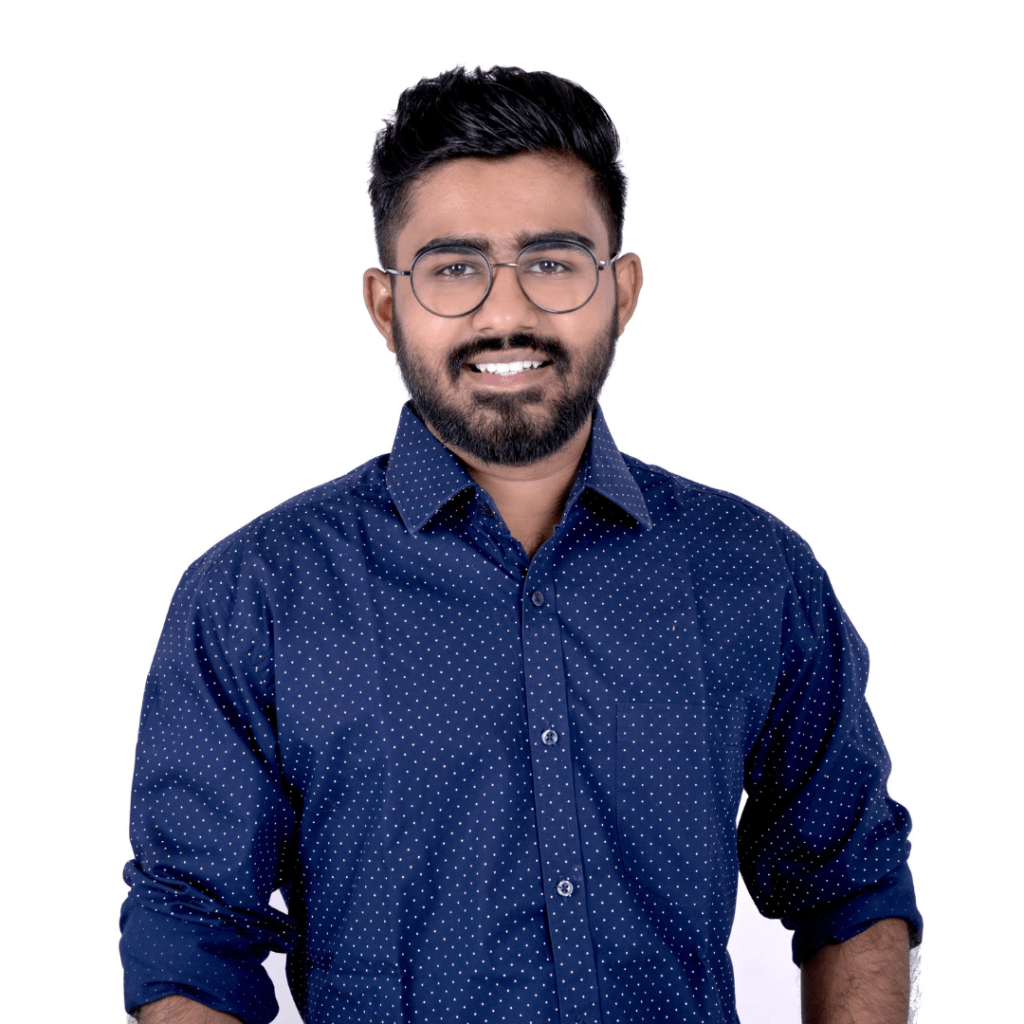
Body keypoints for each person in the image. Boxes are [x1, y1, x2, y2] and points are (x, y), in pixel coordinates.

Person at [120, 65, 922, 1024]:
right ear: (386, 306)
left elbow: (853, 886)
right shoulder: (258, 594)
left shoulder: (753, 571)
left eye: (553, 261)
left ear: (622, 289)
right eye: (454, 268)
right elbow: (191, 936)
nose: (506, 315)